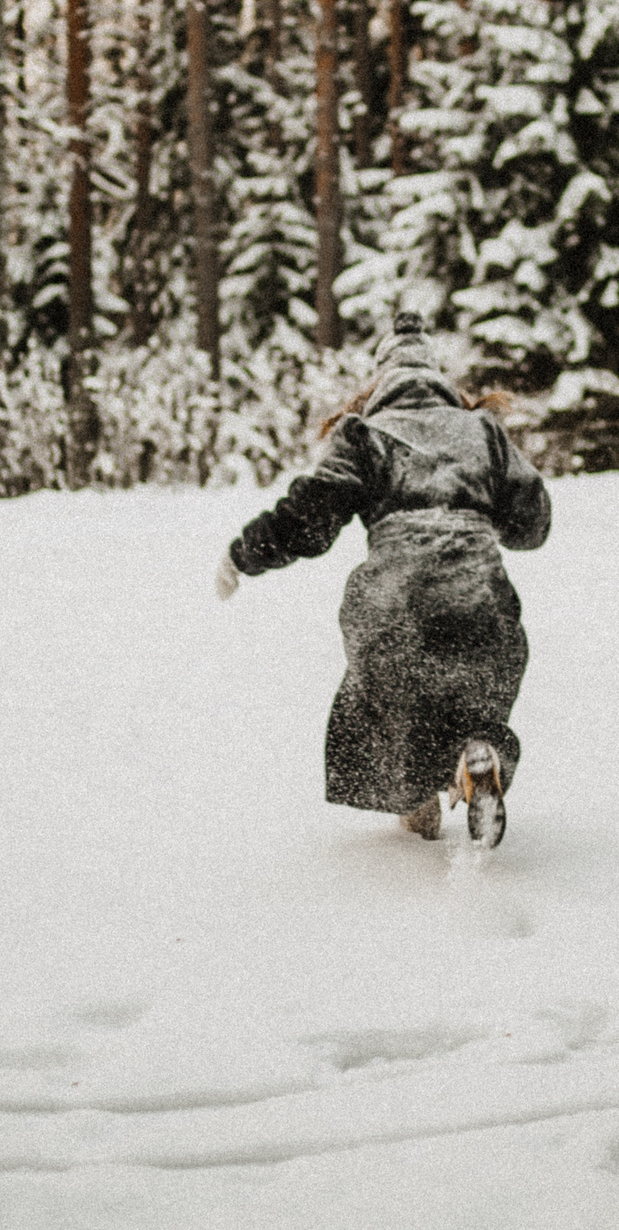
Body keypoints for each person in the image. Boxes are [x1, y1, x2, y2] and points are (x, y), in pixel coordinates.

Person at [215, 313, 551, 846]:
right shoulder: (483, 431)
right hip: (480, 593)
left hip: (394, 598)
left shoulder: (364, 433)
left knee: (384, 698)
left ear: (378, 382)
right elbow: (532, 525)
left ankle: (415, 798)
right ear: (441, 380)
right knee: (474, 692)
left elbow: (310, 516)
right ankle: (475, 753)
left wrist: (243, 555)